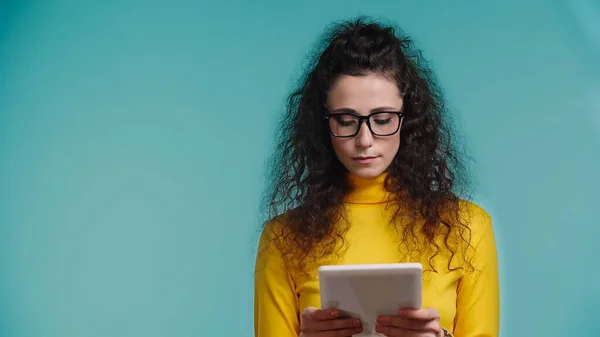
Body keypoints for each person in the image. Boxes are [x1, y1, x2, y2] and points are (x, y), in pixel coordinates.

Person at [254, 17, 499, 337]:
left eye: (382, 119)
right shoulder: (283, 238)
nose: (365, 140)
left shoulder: (468, 227)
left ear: (408, 118)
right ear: (322, 124)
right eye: (345, 120)